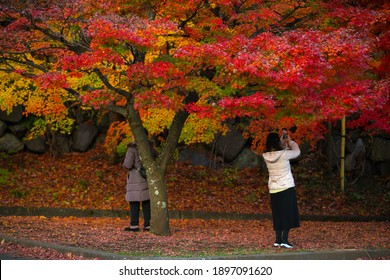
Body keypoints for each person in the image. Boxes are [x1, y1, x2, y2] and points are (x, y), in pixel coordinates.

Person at [262, 131, 301, 248]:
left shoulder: (266, 155)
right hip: (286, 187)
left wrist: (282, 142)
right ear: (277, 142)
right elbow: (297, 152)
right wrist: (289, 141)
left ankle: (277, 239)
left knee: (278, 214)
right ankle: (285, 240)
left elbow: (277, 151)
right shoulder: (284, 154)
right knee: (287, 213)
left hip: (274, 189)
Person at [122, 142, 151, 232]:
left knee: (134, 201)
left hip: (135, 177)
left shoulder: (132, 149)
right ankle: (148, 225)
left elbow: (128, 164)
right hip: (146, 176)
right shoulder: (149, 147)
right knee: (146, 201)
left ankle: (134, 225)